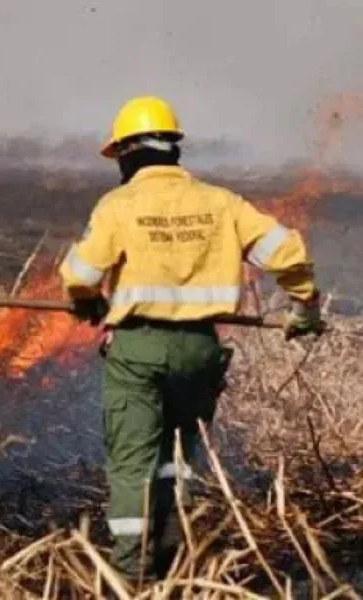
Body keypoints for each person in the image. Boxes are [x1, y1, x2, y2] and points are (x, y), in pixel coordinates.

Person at [57, 95, 324, 586]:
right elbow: (287, 252)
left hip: (138, 350)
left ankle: (130, 578)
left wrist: (88, 300)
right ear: (172, 150)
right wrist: (304, 307)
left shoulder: (120, 204)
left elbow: (80, 273)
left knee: (134, 463)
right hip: (201, 351)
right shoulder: (221, 202)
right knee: (178, 460)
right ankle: (180, 562)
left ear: (129, 153)